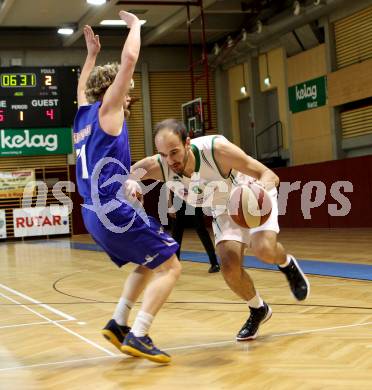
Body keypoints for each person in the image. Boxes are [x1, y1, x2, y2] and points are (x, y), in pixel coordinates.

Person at [131, 119, 310, 341]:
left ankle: (287, 264)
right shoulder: (159, 165)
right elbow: (125, 175)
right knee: (229, 267)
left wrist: (255, 195)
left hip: (250, 194)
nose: (170, 160)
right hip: (222, 210)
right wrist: (132, 184)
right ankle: (258, 309)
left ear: (187, 143)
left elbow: (269, 175)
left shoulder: (216, 150)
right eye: (163, 154)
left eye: (174, 152)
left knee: (263, 250)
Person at [73, 15, 181, 364]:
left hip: (92, 213)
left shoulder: (83, 116)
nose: (129, 91)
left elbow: (81, 87)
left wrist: (90, 55)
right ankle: (140, 333)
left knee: (148, 263)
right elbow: (130, 60)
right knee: (171, 266)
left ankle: (118, 324)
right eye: (126, 88)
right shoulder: (108, 109)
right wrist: (135, 26)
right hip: (112, 211)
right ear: (111, 91)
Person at [170, 197, 220, 273]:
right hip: (178, 203)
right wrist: (170, 206)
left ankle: (214, 263)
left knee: (202, 232)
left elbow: (202, 188)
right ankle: (175, 265)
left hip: (195, 202)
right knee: (176, 234)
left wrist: (205, 207)